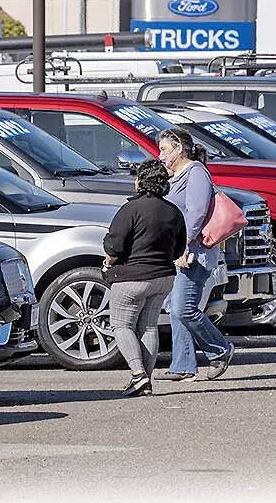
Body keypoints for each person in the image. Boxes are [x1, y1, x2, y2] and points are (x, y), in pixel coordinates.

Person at [156, 128, 235, 382]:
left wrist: (184, 245)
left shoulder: (196, 173)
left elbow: (196, 213)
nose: (161, 155)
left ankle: (220, 349)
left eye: (165, 149)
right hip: (179, 250)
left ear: (180, 148)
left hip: (194, 252)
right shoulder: (176, 175)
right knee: (176, 308)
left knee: (183, 308)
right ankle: (183, 365)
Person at [102, 159, 186, 397]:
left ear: (141, 181)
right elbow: (179, 249)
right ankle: (144, 381)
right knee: (148, 326)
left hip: (132, 279)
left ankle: (138, 375)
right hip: (163, 278)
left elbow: (114, 246)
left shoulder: (131, 209)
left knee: (121, 324)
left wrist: (108, 259)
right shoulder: (173, 211)